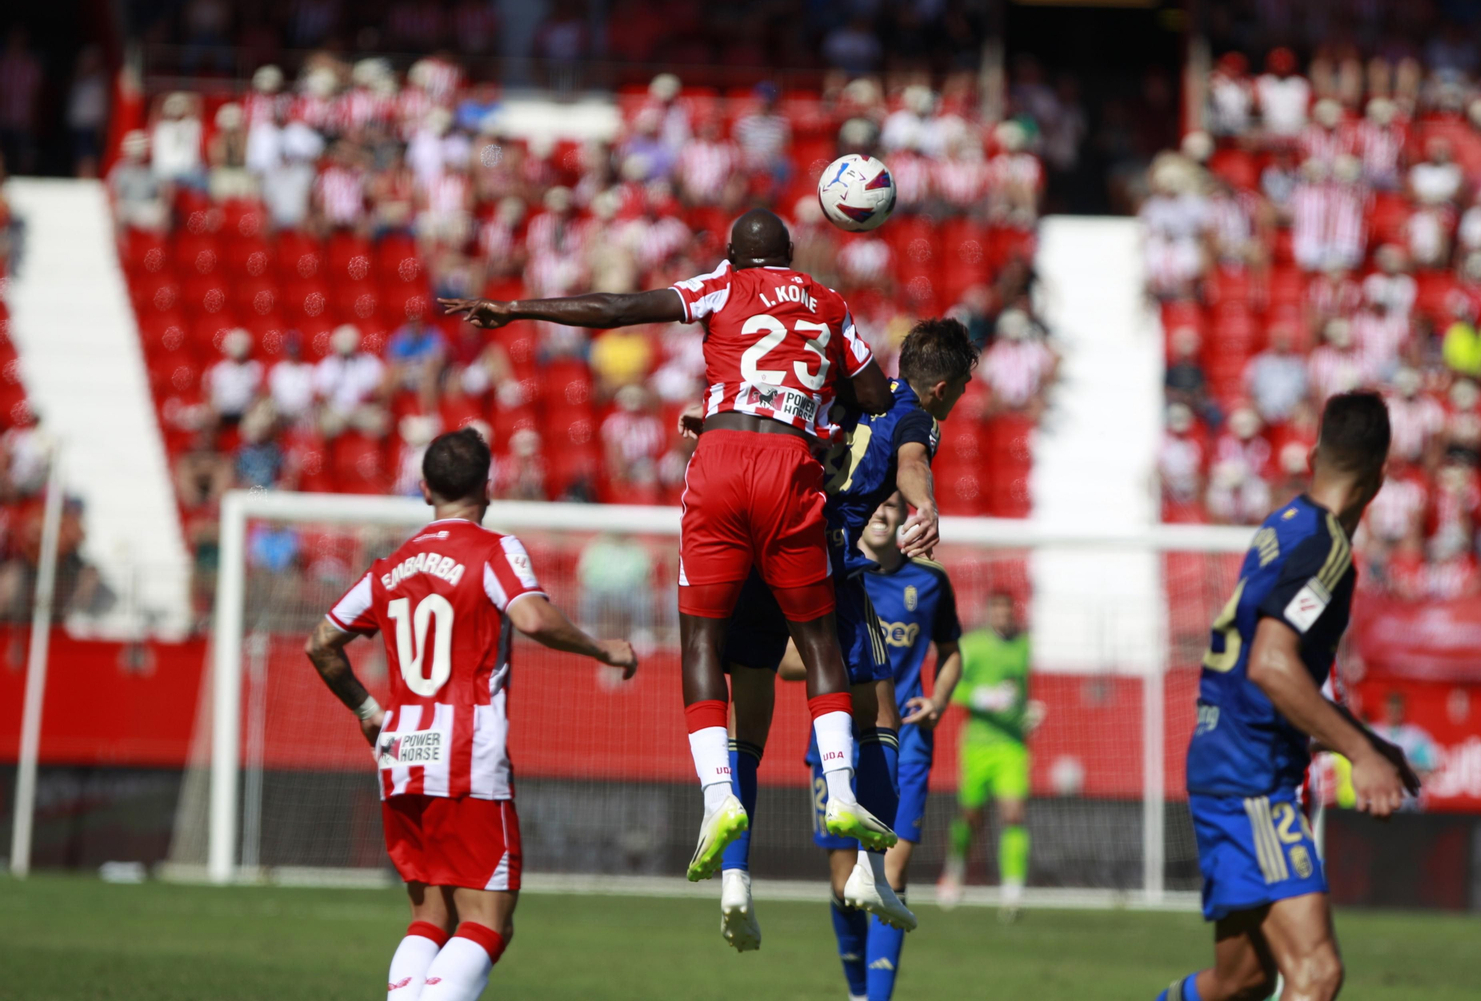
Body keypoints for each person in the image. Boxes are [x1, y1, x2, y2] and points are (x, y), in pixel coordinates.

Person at [444, 209, 895, 882]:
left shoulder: (722, 284)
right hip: (791, 466)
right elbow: (872, 394)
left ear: (735, 257)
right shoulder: (829, 302)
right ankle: (843, 790)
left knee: (702, 642)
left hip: (720, 459)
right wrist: (828, 414)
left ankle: (718, 799)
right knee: (819, 640)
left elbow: (620, 306)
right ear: (791, 253)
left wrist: (517, 308)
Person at [304, 428, 636, 1001]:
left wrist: (364, 707)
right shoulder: (493, 550)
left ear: (425, 488)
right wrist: (603, 649)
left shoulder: (389, 567)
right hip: (466, 753)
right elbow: (531, 618)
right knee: (487, 920)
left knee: (431, 916)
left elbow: (321, 642)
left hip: (401, 752)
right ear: (488, 487)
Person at [712, 317, 979, 950]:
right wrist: (925, 505)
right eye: (964, 386)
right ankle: (870, 871)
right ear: (942, 386)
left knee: (746, 722)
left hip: (760, 546)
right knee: (879, 706)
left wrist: (710, 427)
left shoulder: (849, 388)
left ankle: (734, 876)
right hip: (823, 561)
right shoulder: (915, 415)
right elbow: (912, 459)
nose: (964, 396)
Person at [1157, 391, 1420, 1001]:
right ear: (1380, 479)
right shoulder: (1326, 549)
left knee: (1243, 979)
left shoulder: (1282, 525)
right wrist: (1363, 753)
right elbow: (1272, 666)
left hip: (1222, 760)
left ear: (1312, 456)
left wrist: (1373, 744)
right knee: (1316, 975)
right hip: (1253, 777)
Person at [779, 491, 962, 1001]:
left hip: (905, 745)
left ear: (906, 514)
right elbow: (787, 663)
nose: (883, 514)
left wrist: (939, 699)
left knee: (889, 870)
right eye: (875, 506)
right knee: (844, 882)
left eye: (893, 507)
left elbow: (951, 653)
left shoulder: (930, 581)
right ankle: (860, 991)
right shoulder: (832, 577)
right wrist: (841, 652)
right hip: (837, 746)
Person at [936, 590, 1038, 921]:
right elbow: (951, 687)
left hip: (1011, 744)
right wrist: (981, 696)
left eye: (1008, 612)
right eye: (997, 612)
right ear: (988, 614)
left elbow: (1022, 692)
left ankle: (1012, 890)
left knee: (1013, 814)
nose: (1003, 618)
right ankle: (955, 869)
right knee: (971, 816)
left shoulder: (1024, 647)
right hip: (977, 744)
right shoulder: (973, 646)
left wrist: (1029, 712)